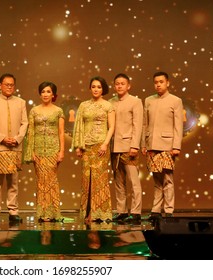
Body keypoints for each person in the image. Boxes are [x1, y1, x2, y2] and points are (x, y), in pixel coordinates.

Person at [0, 73, 28, 224]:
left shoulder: (21, 102)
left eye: (11, 85)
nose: (9, 87)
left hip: (15, 146)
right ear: (0, 85)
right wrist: (2, 138)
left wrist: (17, 139)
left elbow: (25, 123)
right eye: (6, 84)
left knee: (13, 181)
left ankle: (13, 211)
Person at [72, 76, 115, 223]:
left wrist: (105, 144)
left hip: (100, 147)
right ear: (90, 88)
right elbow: (79, 127)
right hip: (86, 147)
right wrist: (79, 146)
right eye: (93, 86)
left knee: (99, 180)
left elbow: (112, 127)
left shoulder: (108, 106)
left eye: (99, 87)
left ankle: (100, 213)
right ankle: (87, 212)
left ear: (103, 89)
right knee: (86, 180)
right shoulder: (83, 105)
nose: (96, 89)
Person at [141, 71, 184, 219]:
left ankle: (169, 210)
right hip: (152, 145)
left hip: (167, 145)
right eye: (156, 82)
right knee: (157, 180)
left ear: (168, 83)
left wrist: (176, 146)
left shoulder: (175, 101)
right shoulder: (148, 100)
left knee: (168, 179)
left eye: (161, 82)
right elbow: (144, 124)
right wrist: (144, 144)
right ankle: (155, 210)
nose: (158, 85)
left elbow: (178, 125)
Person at [23, 81, 64, 222]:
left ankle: (53, 213)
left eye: (48, 91)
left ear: (53, 94)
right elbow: (31, 132)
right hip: (38, 151)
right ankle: (43, 212)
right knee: (41, 181)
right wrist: (31, 151)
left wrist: (61, 151)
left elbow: (60, 132)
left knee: (52, 180)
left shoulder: (58, 111)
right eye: (43, 92)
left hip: (53, 150)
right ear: (40, 94)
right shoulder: (34, 110)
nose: (45, 94)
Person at [109, 73, 143, 223]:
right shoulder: (110, 102)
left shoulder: (135, 102)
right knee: (118, 181)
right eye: (117, 83)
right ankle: (121, 211)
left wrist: (135, 145)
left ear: (128, 86)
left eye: (123, 83)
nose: (120, 86)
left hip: (129, 147)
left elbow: (138, 125)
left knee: (134, 181)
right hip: (114, 147)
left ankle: (136, 212)